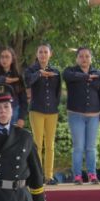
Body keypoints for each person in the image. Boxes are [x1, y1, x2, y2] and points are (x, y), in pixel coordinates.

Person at [63, 47, 100, 184]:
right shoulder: (70, 72)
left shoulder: (98, 74)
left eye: (87, 56)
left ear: (91, 58)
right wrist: (86, 77)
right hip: (76, 114)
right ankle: (77, 176)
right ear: (76, 59)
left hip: (94, 115)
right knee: (78, 146)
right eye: (81, 56)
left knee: (91, 147)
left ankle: (92, 175)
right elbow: (67, 77)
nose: (84, 59)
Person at [24, 43, 61, 184]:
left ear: (50, 54)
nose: (43, 55)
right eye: (41, 52)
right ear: (37, 54)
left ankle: (49, 176)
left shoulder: (56, 71)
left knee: (50, 144)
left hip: (52, 111)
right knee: (37, 144)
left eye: (46, 52)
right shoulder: (31, 70)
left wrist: (55, 105)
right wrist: (39, 73)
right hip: (36, 110)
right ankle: (37, 175)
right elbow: (28, 82)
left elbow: (57, 92)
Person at [0, 46, 28, 127]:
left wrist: (21, 118)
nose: (4, 60)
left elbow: (23, 99)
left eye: (7, 57)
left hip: (14, 111)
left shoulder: (17, 76)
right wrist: (3, 79)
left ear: (12, 59)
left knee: (12, 138)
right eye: (2, 57)